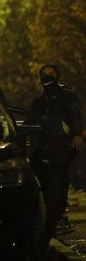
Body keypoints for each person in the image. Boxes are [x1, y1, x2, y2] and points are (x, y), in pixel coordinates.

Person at [31, 63, 85, 237]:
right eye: (44, 75)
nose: (48, 77)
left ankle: (57, 219)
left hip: (62, 148)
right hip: (42, 150)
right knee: (45, 186)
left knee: (58, 184)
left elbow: (76, 116)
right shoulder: (38, 103)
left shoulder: (67, 97)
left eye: (51, 74)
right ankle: (49, 220)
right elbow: (33, 124)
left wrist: (77, 135)